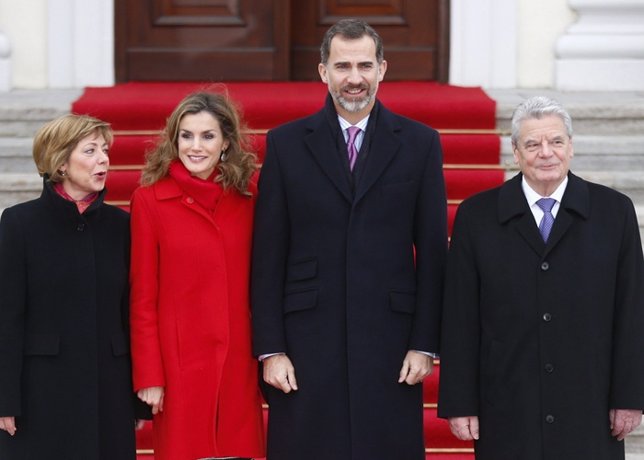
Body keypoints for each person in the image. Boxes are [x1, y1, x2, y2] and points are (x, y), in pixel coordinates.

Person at [251, 18, 448, 460]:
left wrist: (424, 343)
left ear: (382, 69)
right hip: (305, 341)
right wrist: (270, 348)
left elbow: (434, 253)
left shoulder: (420, 143)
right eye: (342, 66)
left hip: (391, 342)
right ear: (323, 72)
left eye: (364, 65)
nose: (354, 78)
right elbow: (267, 255)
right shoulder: (285, 144)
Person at [437, 96, 644, 460]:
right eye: (532, 144)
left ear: (571, 147)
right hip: (506, 404)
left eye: (556, 142)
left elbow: (632, 312)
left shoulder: (614, 212)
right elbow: (460, 317)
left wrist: (630, 397)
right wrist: (460, 401)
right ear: (515, 152)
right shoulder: (477, 216)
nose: (546, 153)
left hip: (590, 406)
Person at [0, 114, 146, 458]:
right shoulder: (19, 223)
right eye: (91, 150)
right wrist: (5, 398)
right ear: (61, 162)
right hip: (41, 392)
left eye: (105, 150)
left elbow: (131, 313)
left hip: (108, 391)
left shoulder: (121, 225)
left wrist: (136, 399)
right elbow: (6, 317)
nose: (104, 159)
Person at [129, 91, 265, 460]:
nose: (195, 146)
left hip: (240, 361)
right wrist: (149, 376)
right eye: (186, 136)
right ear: (174, 141)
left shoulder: (250, 196)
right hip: (179, 366)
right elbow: (143, 297)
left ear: (226, 142)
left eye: (207, 136)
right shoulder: (149, 200)